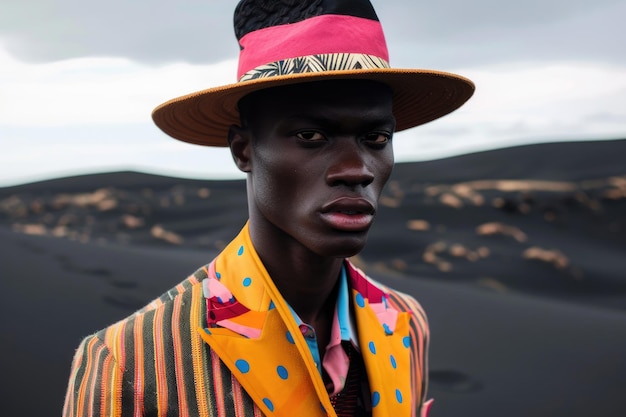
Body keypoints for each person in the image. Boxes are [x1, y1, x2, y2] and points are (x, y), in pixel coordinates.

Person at [63, 0, 474, 416]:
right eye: (311, 135)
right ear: (243, 150)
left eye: (377, 138)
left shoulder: (406, 322)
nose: (357, 170)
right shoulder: (130, 362)